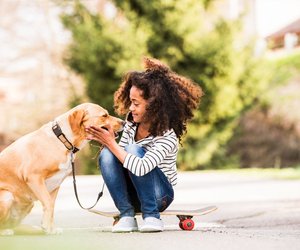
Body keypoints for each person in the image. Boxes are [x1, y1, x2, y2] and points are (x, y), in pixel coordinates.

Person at [86, 57, 203, 233]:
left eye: (136, 103)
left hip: (159, 196)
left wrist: (112, 144)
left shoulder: (167, 136)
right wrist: (108, 142)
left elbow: (141, 167)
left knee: (132, 149)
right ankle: (126, 215)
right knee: (107, 154)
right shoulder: (132, 124)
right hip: (134, 194)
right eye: (130, 101)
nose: (131, 108)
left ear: (154, 105)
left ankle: (152, 217)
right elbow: (120, 157)